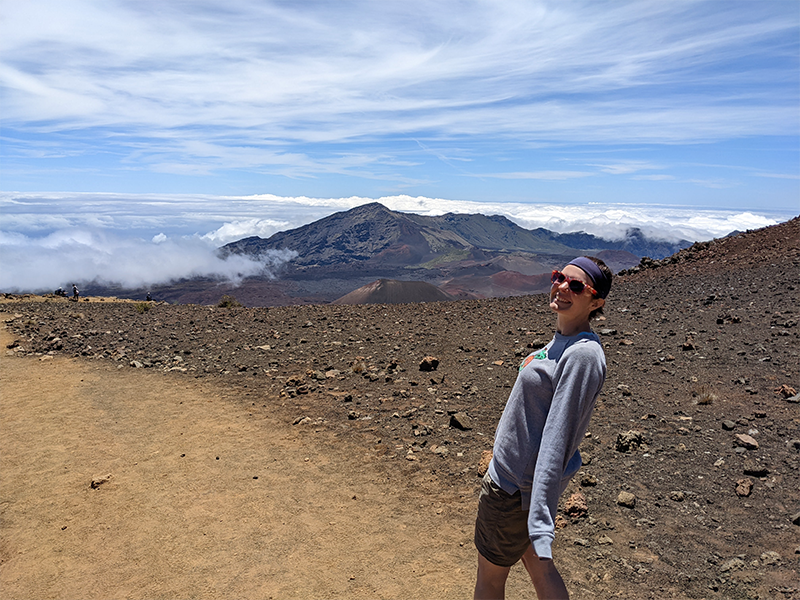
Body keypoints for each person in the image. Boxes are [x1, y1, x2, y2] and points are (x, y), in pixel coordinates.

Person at [474, 256, 612, 600]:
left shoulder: (582, 355)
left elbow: (557, 438)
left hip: (513, 491)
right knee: (540, 567)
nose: (562, 286)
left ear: (596, 302)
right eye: (559, 277)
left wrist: (540, 518)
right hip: (519, 485)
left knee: (489, 581)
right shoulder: (562, 342)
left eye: (576, 286)